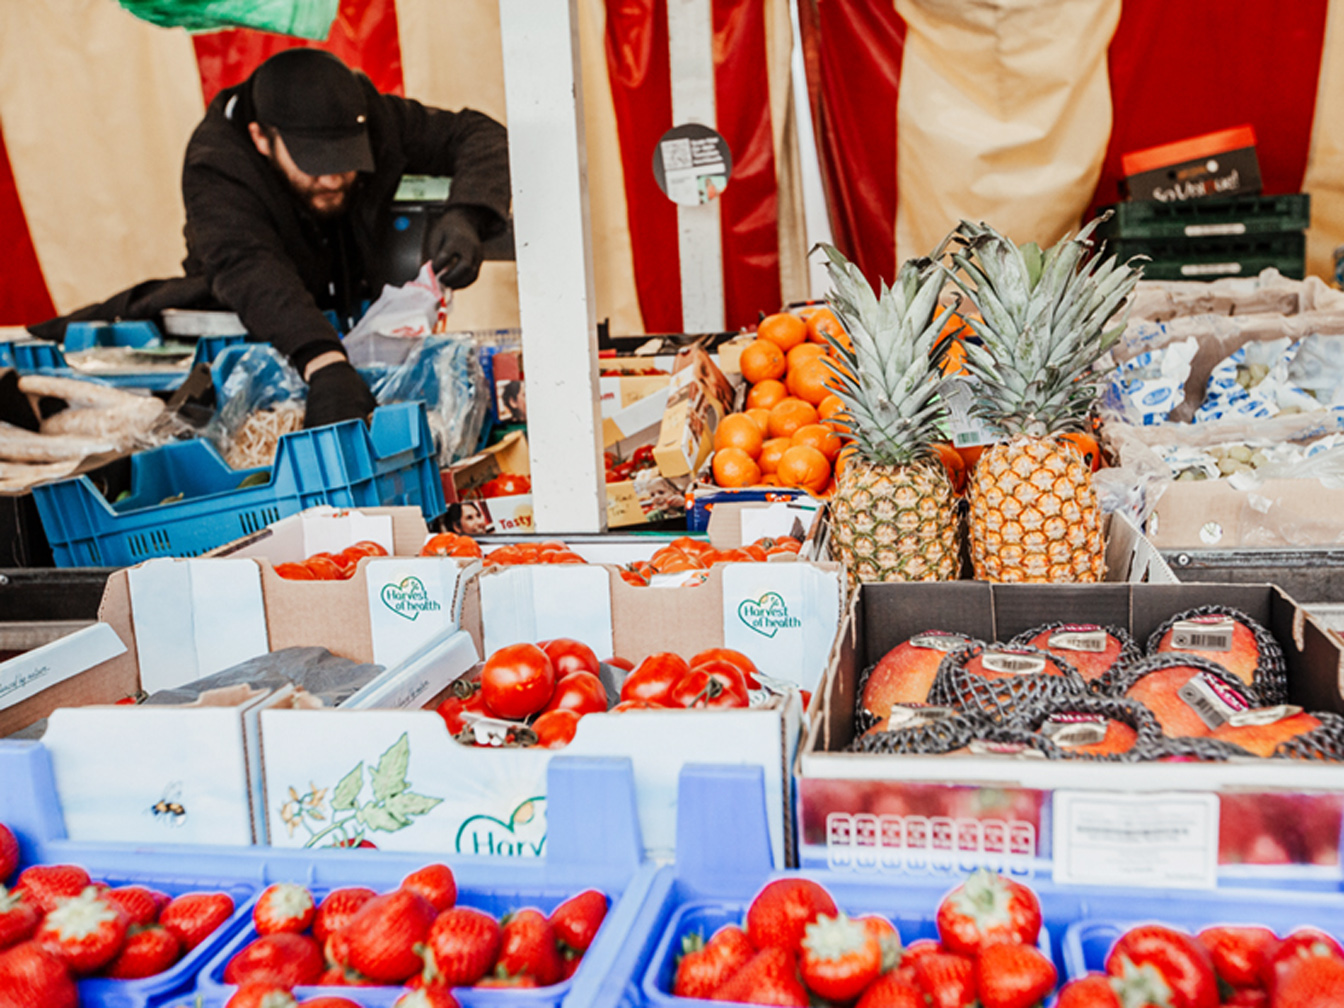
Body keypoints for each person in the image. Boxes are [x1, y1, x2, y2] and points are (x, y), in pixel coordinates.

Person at [30, 48, 510, 430]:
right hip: (252, 326)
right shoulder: (217, 162)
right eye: (313, 163)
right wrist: (322, 363)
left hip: (355, 312)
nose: (334, 180)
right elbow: (249, 267)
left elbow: (479, 135)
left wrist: (467, 214)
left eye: (346, 161)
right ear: (262, 138)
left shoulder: (372, 115)